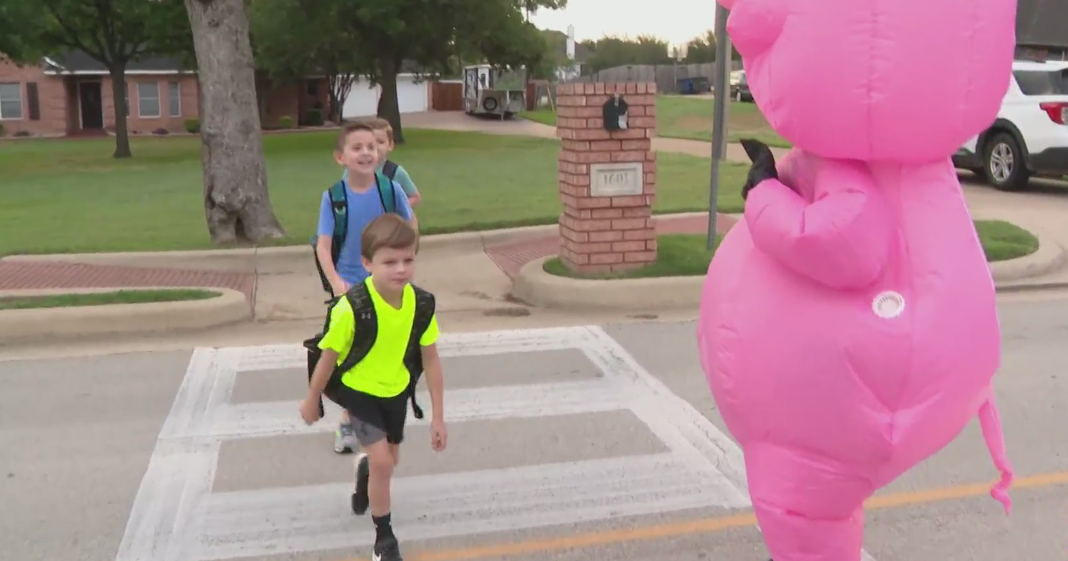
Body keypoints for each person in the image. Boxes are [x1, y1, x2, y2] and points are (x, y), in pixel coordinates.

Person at [696, 0, 1016, 560]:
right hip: (902, 373)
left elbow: (843, 239)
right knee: (808, 509)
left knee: (804, 509)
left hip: (838, 410)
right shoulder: (912, 171)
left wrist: (764, 195)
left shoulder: (848, 167)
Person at [301, 213, 447, 561]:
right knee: (384, 462)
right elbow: (327, 356)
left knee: (386, 462)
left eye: (408, 260)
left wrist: (438, 417)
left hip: (396, 392)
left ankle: (366, 470)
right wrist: (311, 400)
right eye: (389, 262)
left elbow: (432, 360)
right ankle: (384, 540)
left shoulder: (421, 305)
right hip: (358, 392)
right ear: (367, 263)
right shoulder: (353, 308)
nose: (400, 269)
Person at [316, 122, 416, 454]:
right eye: (357, 148)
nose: (365, 153)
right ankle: (349, 420)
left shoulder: (391, 191)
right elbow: (323, 244)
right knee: (350, 359)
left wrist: (403, 266)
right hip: (351, 289)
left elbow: (409, 228)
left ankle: (366, 420)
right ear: (340, 157)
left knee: (384, 356)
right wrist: (336, 283)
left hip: (387, 289)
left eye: (371, 147)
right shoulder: (333, 198)